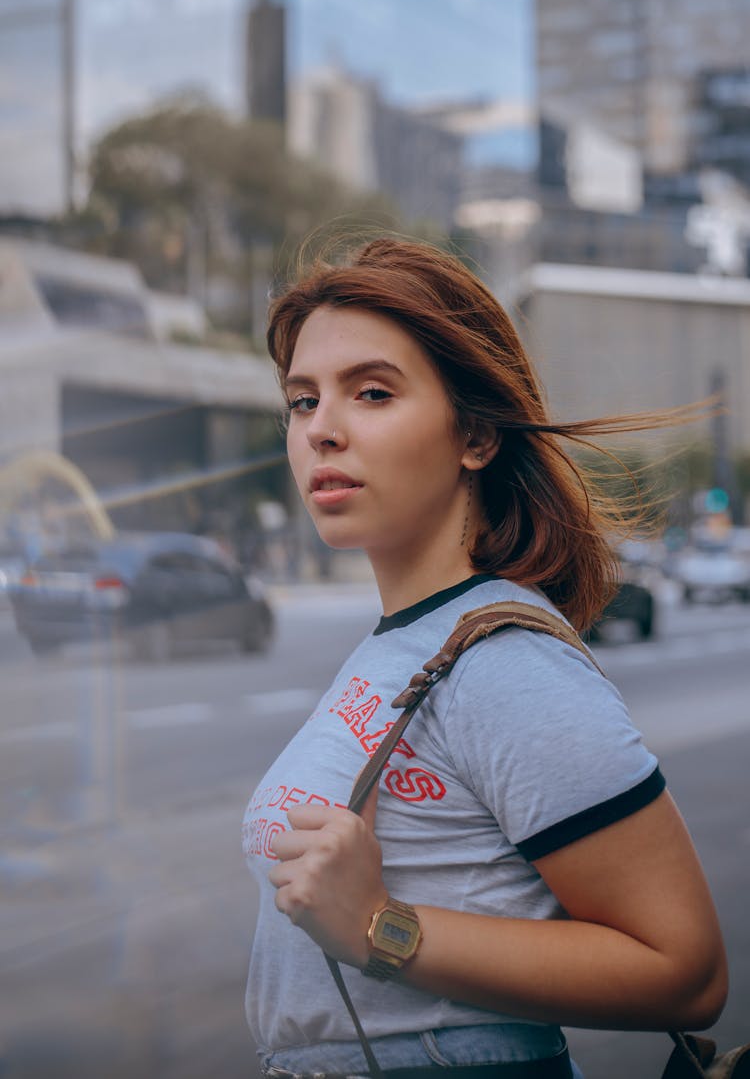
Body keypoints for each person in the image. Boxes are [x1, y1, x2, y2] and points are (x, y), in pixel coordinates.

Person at [242, 237, 727, 1079]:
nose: (323, 429)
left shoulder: (506, 664)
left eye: (373, 392)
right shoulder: (403, 641)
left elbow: (686, 972)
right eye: (303, 399)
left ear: (474, 434)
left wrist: (381, 925)